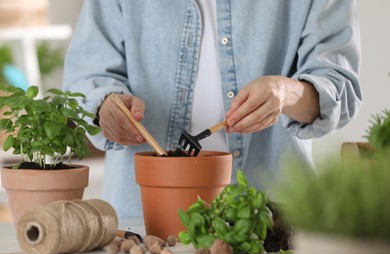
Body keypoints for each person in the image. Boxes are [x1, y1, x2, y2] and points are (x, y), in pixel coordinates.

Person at [63, 0, 362, 218]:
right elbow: (87, 75)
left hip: (270, 220)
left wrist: (287, 93)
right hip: (141, 221)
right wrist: (106, 106)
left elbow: (340, 87)